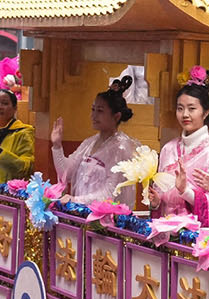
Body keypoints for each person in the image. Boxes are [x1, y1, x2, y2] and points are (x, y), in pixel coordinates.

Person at [150, 69, 209, 222]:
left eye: (192, 109)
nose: (185, 114)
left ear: (205, 113)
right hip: (165, 228)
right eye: (180, 108)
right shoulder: (168, 149)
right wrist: (156, 203)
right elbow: (161, 196)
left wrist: (185, 191)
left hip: (193, 232)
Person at [51, 76, 142, 207]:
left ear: (116, 116)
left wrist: (76, 200)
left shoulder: (121, 149)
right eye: (93, 109)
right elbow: (66, 173)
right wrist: (57, 146)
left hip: (104, 217)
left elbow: (110, 193)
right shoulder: (89, 143)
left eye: (100, 111)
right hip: (82, 213)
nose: (93, 115)